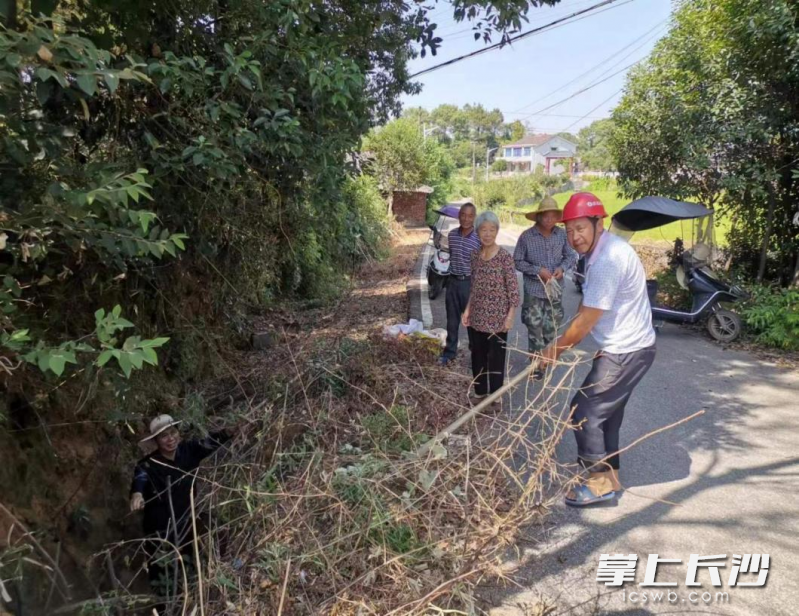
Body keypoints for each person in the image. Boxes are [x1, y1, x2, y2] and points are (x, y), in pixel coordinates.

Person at [539, 192, 656, 507]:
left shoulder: (606, 260)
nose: (575, 237)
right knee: (606, 416)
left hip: (626, 351)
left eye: (581, 228)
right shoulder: (599, 252)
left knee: (583, 413)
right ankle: (610, 480)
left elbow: (585, 323)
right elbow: (587, 305)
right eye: (570, 230)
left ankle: (599, 486)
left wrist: (551, 352)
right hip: (630, 347)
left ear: (598, 223)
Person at [130, 414, 237, 591]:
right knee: (162, 576)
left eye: (173, 433)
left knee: (215, 527)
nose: (170, 439)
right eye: (164, 436)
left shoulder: (189, 450)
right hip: (160, 531)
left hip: (187, 520)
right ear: (156, 441)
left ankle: (225, 571)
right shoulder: (148, 464)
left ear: (178, 433)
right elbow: (140, 479)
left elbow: (209, 442)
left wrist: (228, 432)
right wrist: (137, 494)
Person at [513, 196, 577, 379]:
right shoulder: (526, 237)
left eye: (553, 216)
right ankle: (536, 366)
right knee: (534, 328)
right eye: (545, 216)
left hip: (554, 291)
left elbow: (571, 257)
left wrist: (562, 269)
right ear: (539, 217)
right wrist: (537, 270)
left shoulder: (562, 235)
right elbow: (517, 260)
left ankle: (546, 358)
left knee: (551, 329)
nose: (549, 220)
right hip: (533, 290)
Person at [462, 211, 520, 399]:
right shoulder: (474, 255)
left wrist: (510, 316)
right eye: (483, 230)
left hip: (498, 318)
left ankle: (495, 397)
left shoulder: (504, 257)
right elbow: (474, 286)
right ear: (478, 232)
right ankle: (480, 393)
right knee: (477, 355)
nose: (487, 234)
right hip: (477, 316)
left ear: (497, 231)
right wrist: (467, 310)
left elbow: (513, 290)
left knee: (496, 359)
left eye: (492, 229)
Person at [439, 203, 480, 366]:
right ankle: (449, 352)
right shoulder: (452, 235)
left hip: (470, 283)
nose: (466, 218)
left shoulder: (479, 238)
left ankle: (476, 352)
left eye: (470, 216)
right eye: (463, 214)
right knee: (452, 320)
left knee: (472, 321)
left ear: (474, 218)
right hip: (453, 282)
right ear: (458, 215)